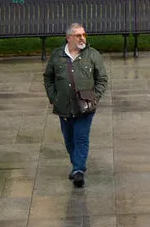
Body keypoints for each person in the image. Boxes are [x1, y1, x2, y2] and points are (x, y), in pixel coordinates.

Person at [43, 23, 108, 187]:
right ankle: (76, 165)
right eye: (78, 35)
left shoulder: (92, 55)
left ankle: (79, 170)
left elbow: (102, 79)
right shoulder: (57, 55)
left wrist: (95, 98)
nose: (82, 38)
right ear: (69, 37)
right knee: (69, 140)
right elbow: (48, 78)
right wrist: (53, 97)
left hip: (85, 107)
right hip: (64, 106)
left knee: (81, 137)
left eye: (84, 35)